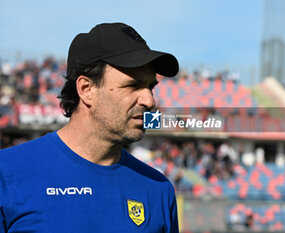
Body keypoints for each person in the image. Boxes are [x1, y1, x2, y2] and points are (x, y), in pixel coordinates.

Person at [0, 23, 179, 233]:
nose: (150, 101)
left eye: (150, 87)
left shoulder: (158, 188)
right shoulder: (7, 172)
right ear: (86, 89)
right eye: (132, 85)